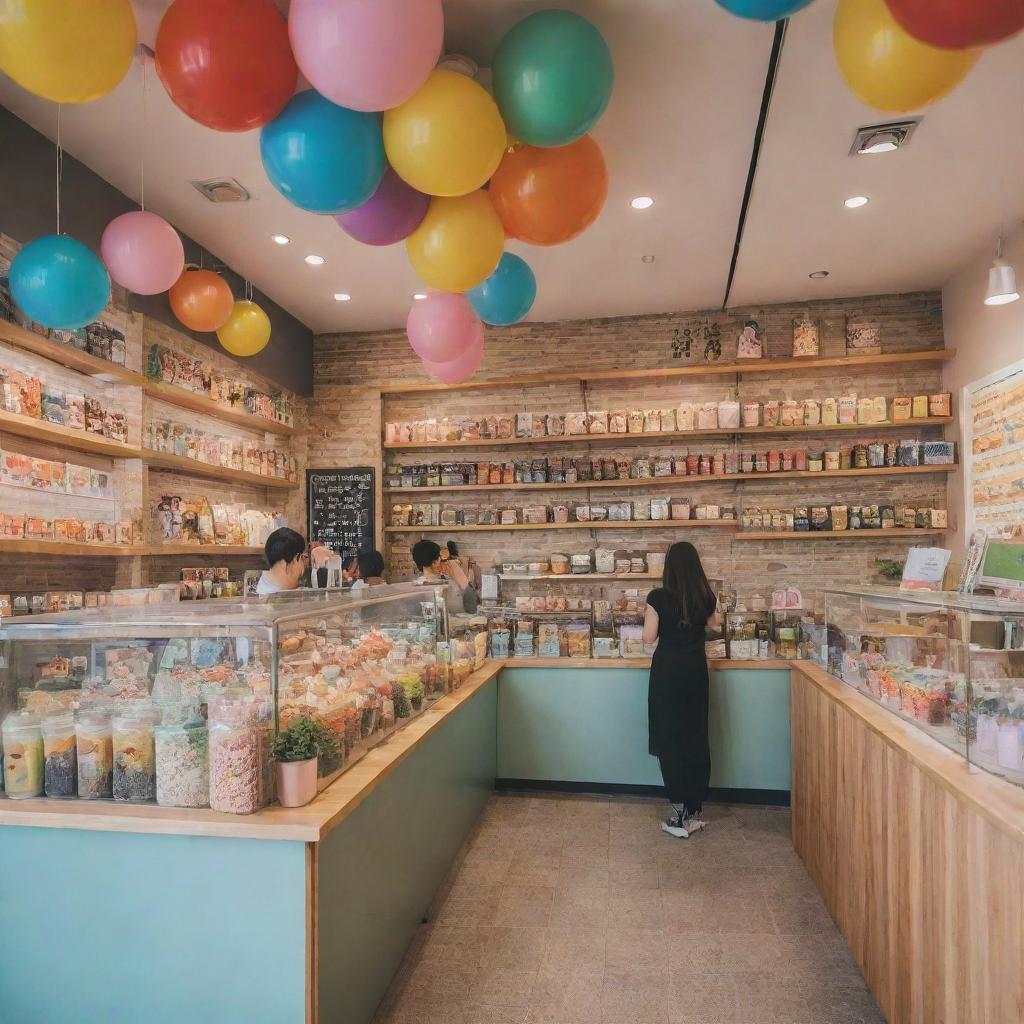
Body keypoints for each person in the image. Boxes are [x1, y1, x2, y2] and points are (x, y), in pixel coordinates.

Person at [642, 541, 718, 839]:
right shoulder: (705, 596)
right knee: (695, 737)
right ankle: (694, 810)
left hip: (667, 675)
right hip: (695, 674)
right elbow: (714, 625)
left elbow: (649, 638)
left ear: (668, 567)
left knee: (669, 739)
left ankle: (677, 815)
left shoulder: (657, 597)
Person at [411, 538, 478, 612]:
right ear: (435, 562)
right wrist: (461, 578)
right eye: (440, 557)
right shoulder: (441, 585)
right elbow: (472, 607)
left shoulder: (416, 586)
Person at [255, 527, 308, 596]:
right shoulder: (276, 602)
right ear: (286, 565)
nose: (304, 566)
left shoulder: (265, 585)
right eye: (302, 558)